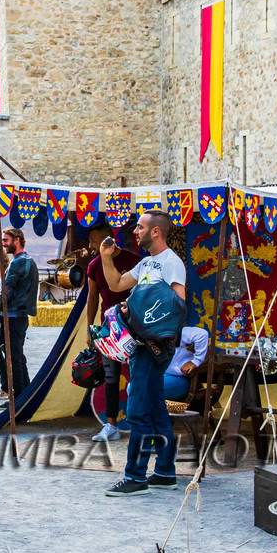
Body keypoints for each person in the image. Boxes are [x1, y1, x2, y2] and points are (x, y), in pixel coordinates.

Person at [99, 211, 187, 497]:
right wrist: (106, 258)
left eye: (140, 227)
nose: (135, 231)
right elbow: (116, 285)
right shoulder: (146, 263)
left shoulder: (171, 262)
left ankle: (135, 476)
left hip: (154, 346)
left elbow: (177, 304)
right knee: (156, 407)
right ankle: (165, 472)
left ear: (156, 232)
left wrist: (137, 306)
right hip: (141, 344)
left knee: (137, 410)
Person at [84, 225, 139, 441]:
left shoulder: (134, 261)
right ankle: (111, 425)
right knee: (111, 376)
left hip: (135, 326)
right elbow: (92, 298)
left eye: (93, 240)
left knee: (138, 374)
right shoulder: (94, 265)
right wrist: (90, 329)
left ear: (107, 239)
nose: (91, 246)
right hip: (108, 328)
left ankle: (139, 424)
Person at [0, 227, 37, 400]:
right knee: (17, 355)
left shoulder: (18, 262)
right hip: (18, 315)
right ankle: (25, 393)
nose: (3, 244)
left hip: (13, 315)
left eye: (6, 240)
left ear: (17, 240)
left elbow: (7, 290)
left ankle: (20, 396)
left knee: (13, 357)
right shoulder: (27, 260)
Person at [163, 326, 210, 405]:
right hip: (157, 377)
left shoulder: (168, 330)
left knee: (149, 386)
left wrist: (196, 361)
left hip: (179, 378)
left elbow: (201, 334)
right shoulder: (142, 334)